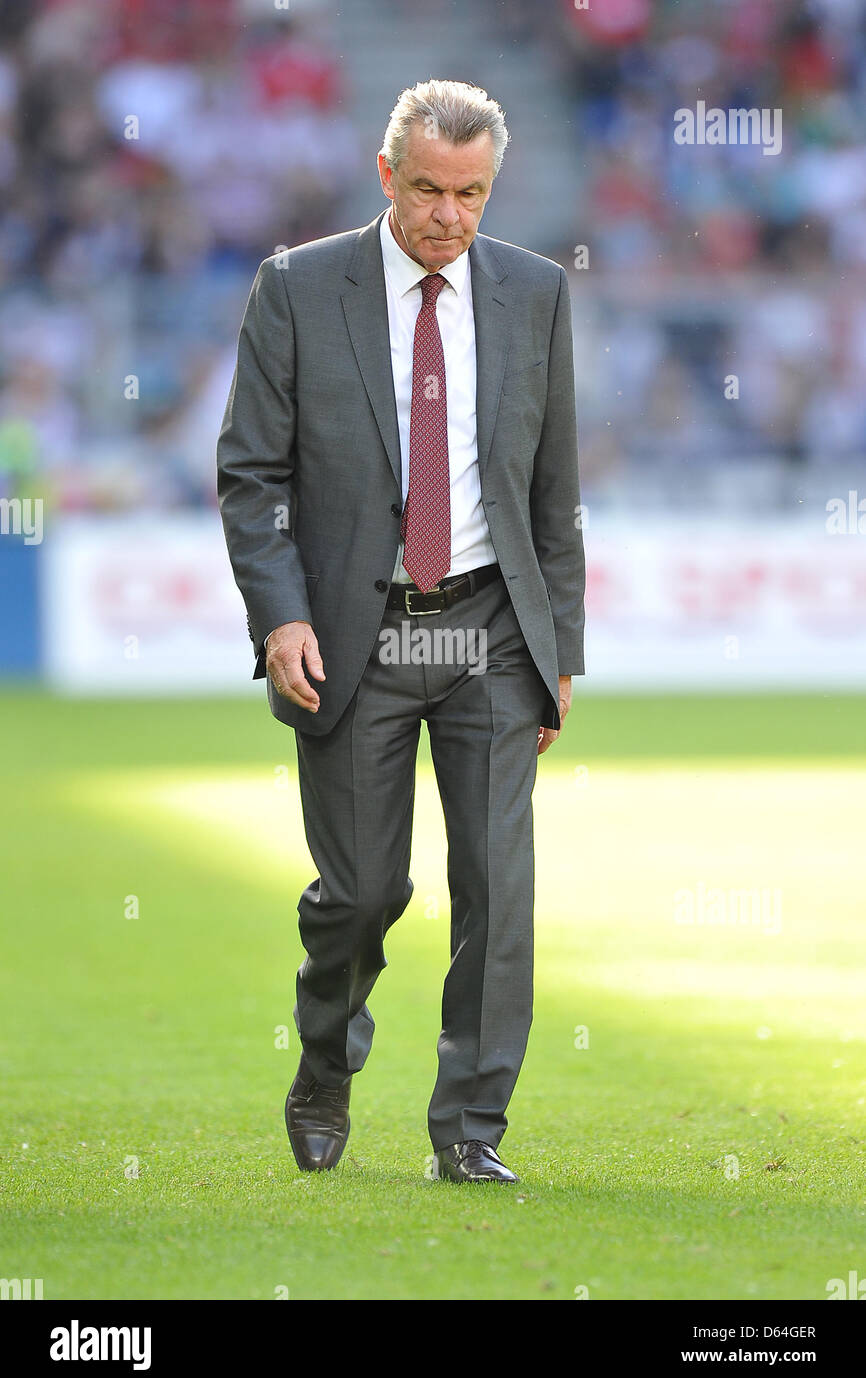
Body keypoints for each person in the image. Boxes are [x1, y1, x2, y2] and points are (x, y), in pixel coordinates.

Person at [217, 79, 585, 1184]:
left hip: (489, 631)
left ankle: (468, 1129)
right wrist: (279, 615)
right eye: (426, 189)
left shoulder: (532, 291)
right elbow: (251, 476)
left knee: (496, 886)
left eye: (469, 194)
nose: (447, 216)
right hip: (352, 635)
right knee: (363, 892)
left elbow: (552, 486)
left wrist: (561, 650)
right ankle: (324, 1056)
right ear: (386, 176)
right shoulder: (294, 287)